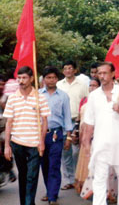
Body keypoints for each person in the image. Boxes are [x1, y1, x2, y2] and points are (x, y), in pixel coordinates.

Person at [82, 62, 119, 205]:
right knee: (99, 179)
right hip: (101, 144)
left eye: (105, 73)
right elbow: (89, 123)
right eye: (99, 73)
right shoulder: (94, 95)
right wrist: (86, 144)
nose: (102, 76)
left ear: (113, 74)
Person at [3, 66, 50, 205]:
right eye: (19, 78)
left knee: (32, 176)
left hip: (34, 143)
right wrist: (7, 146)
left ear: (31, 79)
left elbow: (44, 121)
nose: (21, 81)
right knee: (23, 175)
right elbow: (8, 123)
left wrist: (42, 141)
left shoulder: (39, 98)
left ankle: (29, 202)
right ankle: (25, 202)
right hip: (17, 142)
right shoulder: (12, 98)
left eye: (24, 78)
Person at [39, 67, 73, 205]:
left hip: (56, 134)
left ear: (57, 79)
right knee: (44, 165)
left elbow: (67, 117)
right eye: (48, 77)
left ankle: (53, 196)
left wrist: (68, 137)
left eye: (53, 77)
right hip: (41, 135)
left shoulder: (63, 96)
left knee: (54, 164)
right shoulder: (37, 95)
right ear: (44, 79)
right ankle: (49, 190)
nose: (51, 80)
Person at [57, 60, 88, 190]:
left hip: (77, 120)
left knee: (77, 151)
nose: (68, 70)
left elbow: (87, 100)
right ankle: (69, 179)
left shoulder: (82, 85)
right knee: (66, 152)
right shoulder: (59, 84)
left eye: (70, 68)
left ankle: (79, 177)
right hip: (63, 121)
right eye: (65, 68)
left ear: (75, 70)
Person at [74, 78, 101, 193]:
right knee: (84, 161)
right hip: (84, 136)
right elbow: (79, 119)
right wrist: (78, 134)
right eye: (90, 85)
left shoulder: (102, 100)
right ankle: (84, 185)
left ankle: (98, 188)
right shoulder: (85, 101)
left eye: (95, 85)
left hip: (97, 136)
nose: (92, 88)